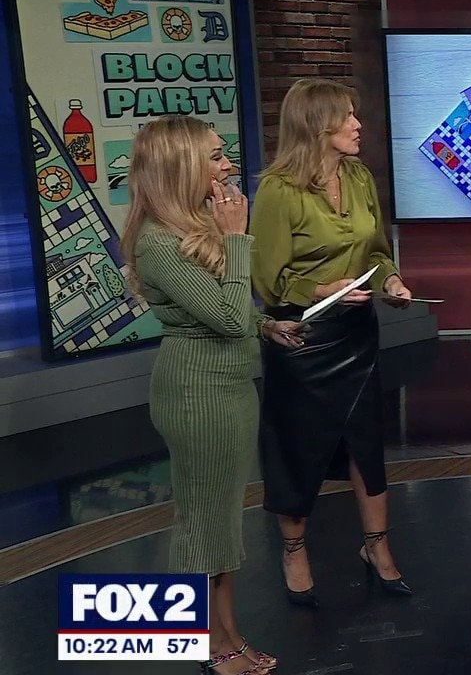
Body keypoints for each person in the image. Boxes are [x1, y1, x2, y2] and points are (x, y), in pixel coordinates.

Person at [122, 115, 306, 674]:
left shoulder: (192, 226)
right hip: (197, 394)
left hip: (228, 387)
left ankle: (228, 634)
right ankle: (203, 642)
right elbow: (225, 316)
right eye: (216, 156)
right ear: (182, 166)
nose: (228, 166)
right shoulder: (158, 241)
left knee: (222, 525)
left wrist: (266, 326)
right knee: (202, 526)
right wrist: (236, 239)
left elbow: (227, 310)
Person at [249, 78, 413, 606]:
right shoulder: (279, 190)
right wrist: (321, 290)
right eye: (347, 116)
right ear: (316, 125)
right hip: (303, 341)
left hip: (356, 335)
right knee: (299, 450)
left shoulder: (359, 176)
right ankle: (294, 551)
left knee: (366, 444)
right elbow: (268, 280)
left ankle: (378, 548)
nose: (358, 125)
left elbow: (376, 251)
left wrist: (390, 280)